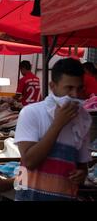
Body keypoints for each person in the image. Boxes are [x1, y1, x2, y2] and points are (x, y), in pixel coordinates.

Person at [14, 58, 92, 201]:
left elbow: (82, 166)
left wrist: (81, 174)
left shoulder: (83, 119)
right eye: (69, 88)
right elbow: (29, 162)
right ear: (53, 86)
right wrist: (58, 125)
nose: (75, 95)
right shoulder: (31, 113)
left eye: (79, 88)